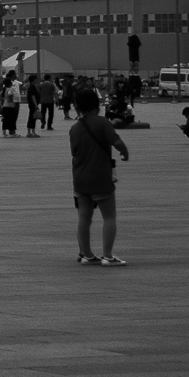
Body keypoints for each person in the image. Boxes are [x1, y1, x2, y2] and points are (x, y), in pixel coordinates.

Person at [69, 86, 130, 266]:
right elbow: (116, 141)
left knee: (84, 217)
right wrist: (125, 153)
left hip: (80, 177)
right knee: (109, 216)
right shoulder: (102, 122)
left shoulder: (75, 128)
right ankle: (108, 256)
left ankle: (86, 254)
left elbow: (74, 152)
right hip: (100, 176)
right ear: (96, 104)